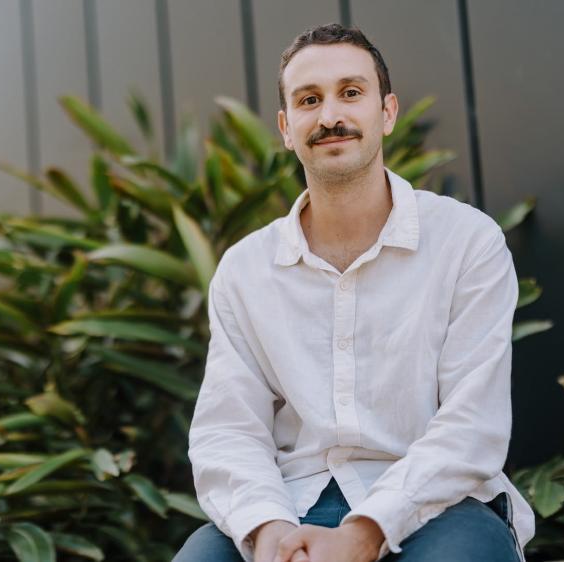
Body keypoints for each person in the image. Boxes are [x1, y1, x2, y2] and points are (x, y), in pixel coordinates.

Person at [172, 23, 534, 562]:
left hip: (438, 508)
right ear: (286, 128)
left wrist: (362, 534)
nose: (330, 116)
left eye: (350, 93)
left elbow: (470, 426)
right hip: (289, 504)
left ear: (386, 112)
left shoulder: (467, 242)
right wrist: (270, 534)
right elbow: (229, 430)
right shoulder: (245, 270)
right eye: (309, 100)